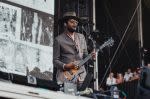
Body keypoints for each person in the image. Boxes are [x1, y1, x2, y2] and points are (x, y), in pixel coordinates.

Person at [53, 11, 94, 86]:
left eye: (76, 22)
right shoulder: (58, 40)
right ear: (65, 24)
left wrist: (91, 57)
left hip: (81, 76)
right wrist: (66, 66)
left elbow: (85, 55)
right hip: (65, 77)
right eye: (72, 22)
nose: (75, 24)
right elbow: (55, 61)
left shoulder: (81, 37)